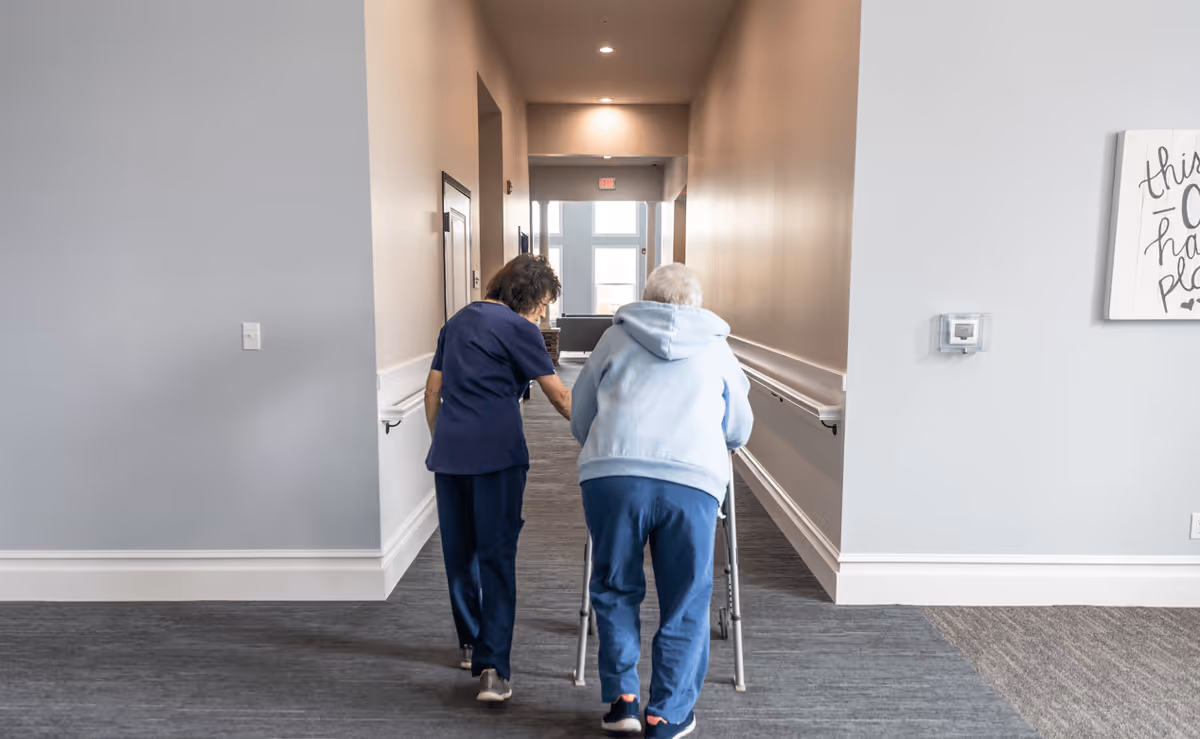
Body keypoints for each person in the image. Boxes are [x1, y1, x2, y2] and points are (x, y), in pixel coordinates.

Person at [570, 264, 753, 738]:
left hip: (613, 475)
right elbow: (738, 430)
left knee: (613, 586)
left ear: (646, 296)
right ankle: (666, 714)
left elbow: (580, 416)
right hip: (691, 479)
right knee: (687, 596)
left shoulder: (615, 339)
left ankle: (623, 699)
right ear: (695, 302)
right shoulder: (717, 348)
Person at [424, 254, 571, 703]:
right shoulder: (519, 329)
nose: (543, 313)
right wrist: (601, 433)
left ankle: (469, 644)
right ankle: (493, 670)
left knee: (459, 553)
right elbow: (560, 396)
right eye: (544, 302)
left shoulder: (457, 321)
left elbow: (432, 390)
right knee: (497, 556)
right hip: (498, 456)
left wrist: (446, 438)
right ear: (526, 296)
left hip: (450, 455)